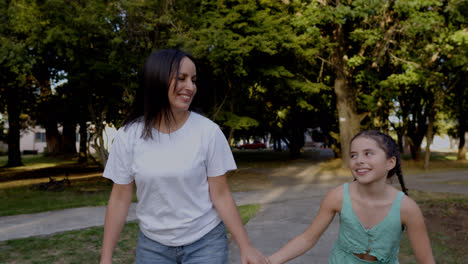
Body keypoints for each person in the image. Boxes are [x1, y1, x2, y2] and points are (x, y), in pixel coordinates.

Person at [100, 49, 269, 264]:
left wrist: (246, 246)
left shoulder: (208, 132)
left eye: (193, 80)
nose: (190, 87)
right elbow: (119, 198)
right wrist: (105, 258)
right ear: (157, 80)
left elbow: (221, 194)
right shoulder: (128, 136)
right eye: (181, 78)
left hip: (205, 243)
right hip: (152, 246)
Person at [268, 131, 435, 264]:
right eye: (353, 155)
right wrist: (271, 261)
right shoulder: (337, 196)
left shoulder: (407, 209)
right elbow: (307, 238)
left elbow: (425, 260)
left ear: (390, 163)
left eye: (368, 153)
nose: (358, 160)